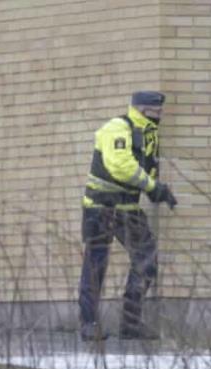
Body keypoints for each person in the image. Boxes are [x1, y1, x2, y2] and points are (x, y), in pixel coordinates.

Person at [78, 91, 177, 342]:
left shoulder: (148, 135)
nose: (159, 116)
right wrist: (153, 188)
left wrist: (157, 190)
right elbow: (120, 165)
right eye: (156, 112)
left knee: (147, 258)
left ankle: (130, 324)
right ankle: (89, 324)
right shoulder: (117, 127)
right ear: (143, 110)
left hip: (127, 209)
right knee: (95, 265)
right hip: (100, 208)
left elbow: (146, 167)